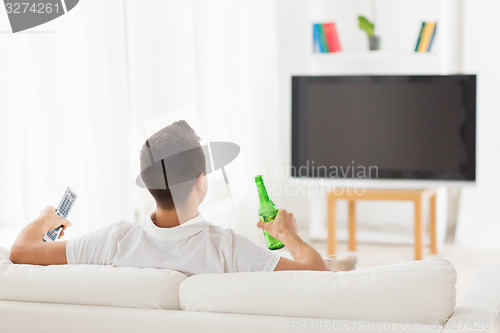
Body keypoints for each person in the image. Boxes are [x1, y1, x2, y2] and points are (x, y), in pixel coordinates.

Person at [9, 121, 355, 275]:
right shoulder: (228, 249)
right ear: (201, 182)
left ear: (147, 183)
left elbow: (21, 252)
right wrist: (288, 235)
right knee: (332, 264)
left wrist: (45, 219)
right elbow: (315, 273)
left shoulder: (112, 241)